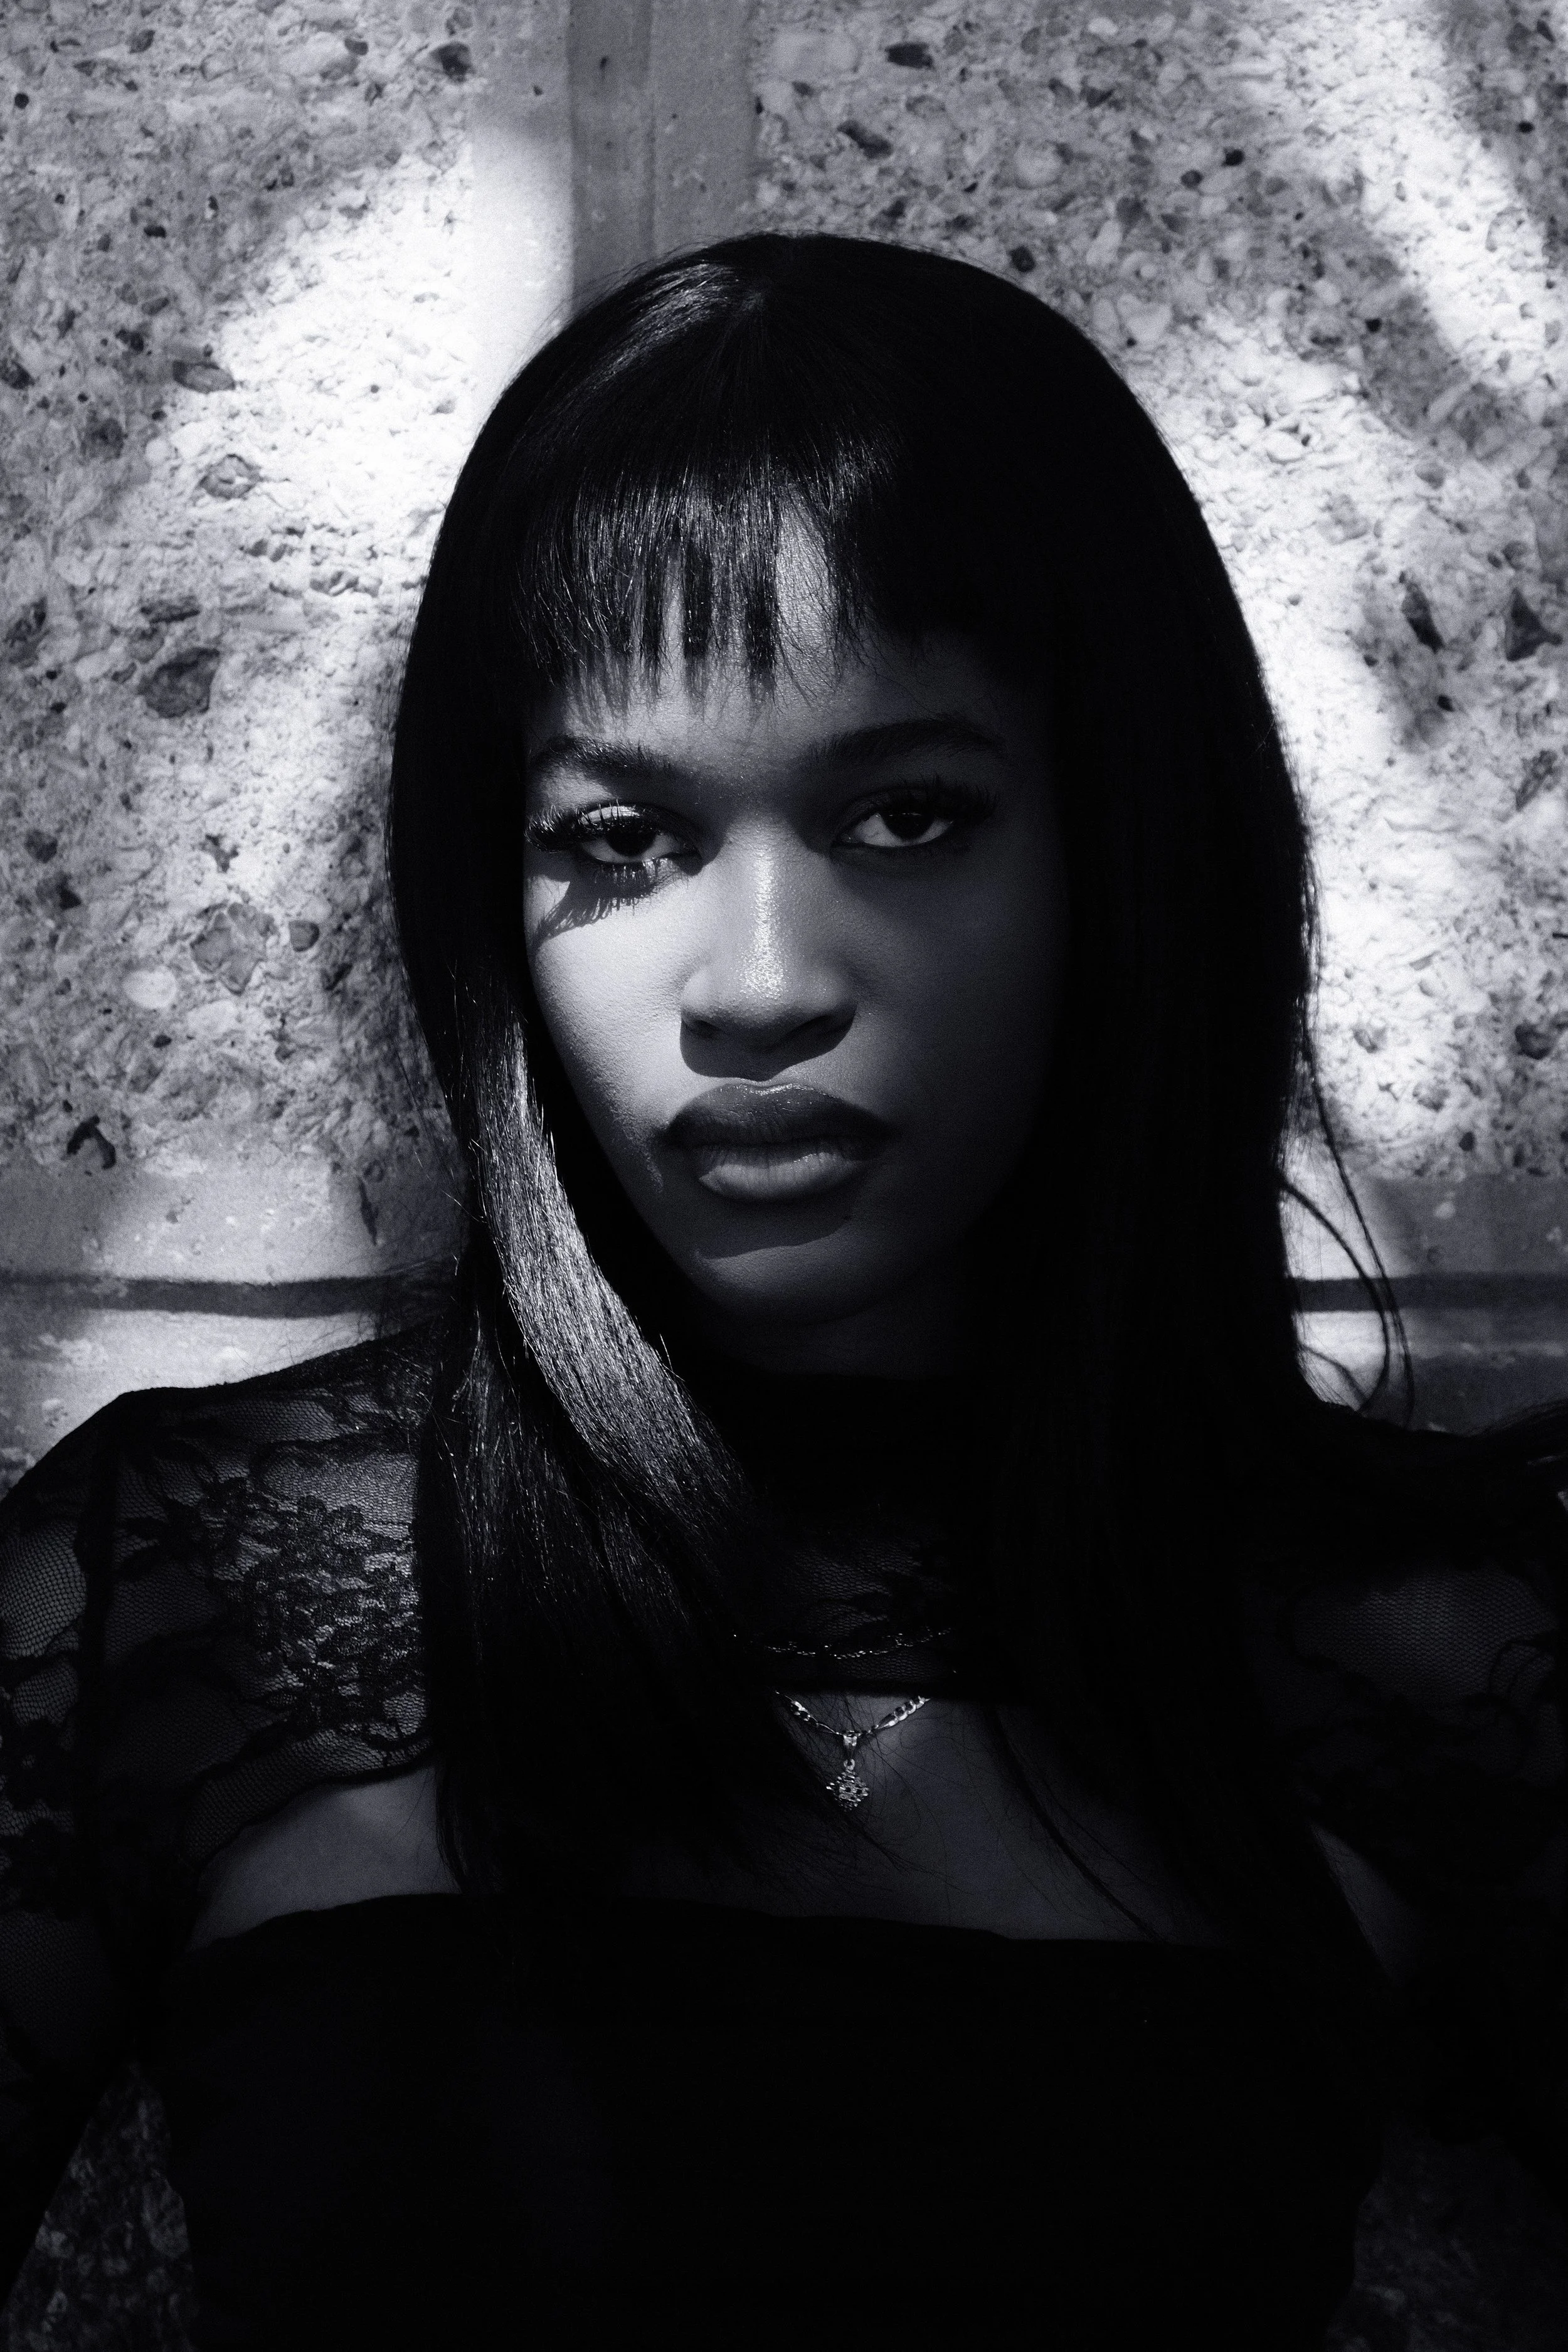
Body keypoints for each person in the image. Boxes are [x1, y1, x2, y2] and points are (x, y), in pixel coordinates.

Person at [0, 234, 1563, 2350]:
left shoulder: (1424, 1641)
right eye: (624, 837)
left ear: (1125, 848)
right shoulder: (180, 1589)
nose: (755, 986)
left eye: (908, 816)